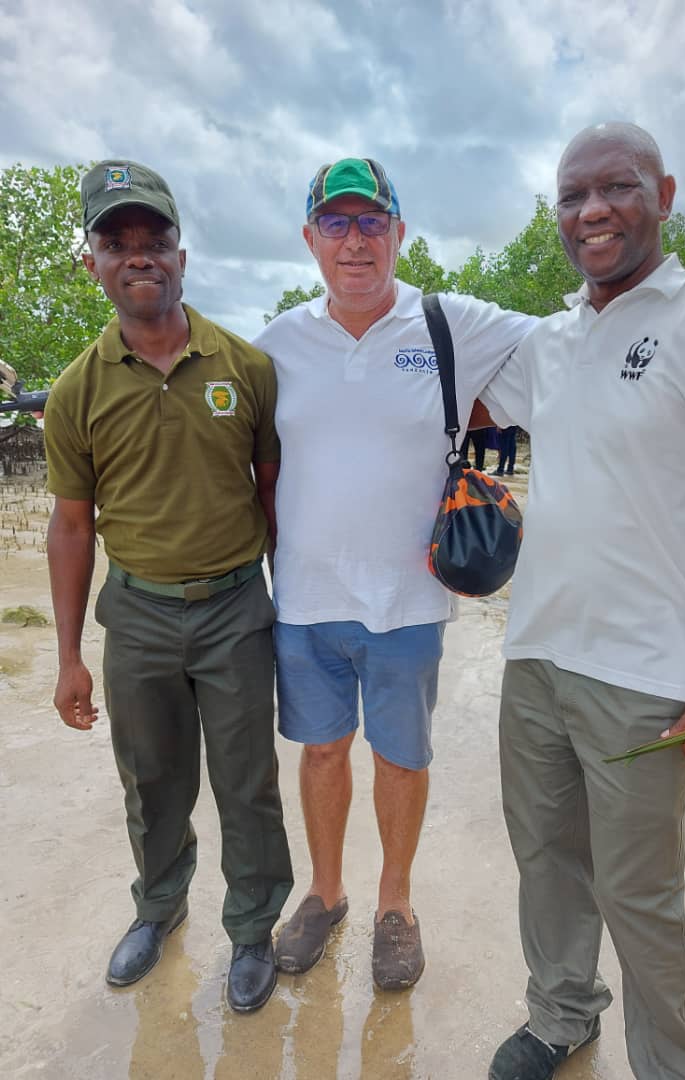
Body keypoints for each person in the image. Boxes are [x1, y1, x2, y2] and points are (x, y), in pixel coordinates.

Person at [479, 123, 685, 1079]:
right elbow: (458, 398)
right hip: (536, 655)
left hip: (650, 675)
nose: (592, 212)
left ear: (662, 193)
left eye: (614, 188)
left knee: (639, 893)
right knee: (547, 862)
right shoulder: (552, 339)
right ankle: (561, 1013)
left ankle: (673, 1065)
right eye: (572, 197)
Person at [253, 158, 534, 990]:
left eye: (372, 222)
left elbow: (568, 344)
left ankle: (395, 906)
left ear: (401, 234)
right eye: (335, 224)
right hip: (304, 600)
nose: (355, 241)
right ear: (309, 239)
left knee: (402, 757)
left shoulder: (453, 325)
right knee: (320, 753)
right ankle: (326, 893)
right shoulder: (274, 346)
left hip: (410, 602)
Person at [44, 160, 293, 1013]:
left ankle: (253, 927)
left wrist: (282, 608)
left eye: (155, 242)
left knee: (246, 778)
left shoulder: (247, 367)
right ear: (93, 262)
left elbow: (272, 497)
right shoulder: (77, 390)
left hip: (234, 609)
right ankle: (159, 907)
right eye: (118, 243)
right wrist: (69, 655)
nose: (139, 257)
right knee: (152, 779)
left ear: (182, 256)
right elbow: (73, 525)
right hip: (140, 614)